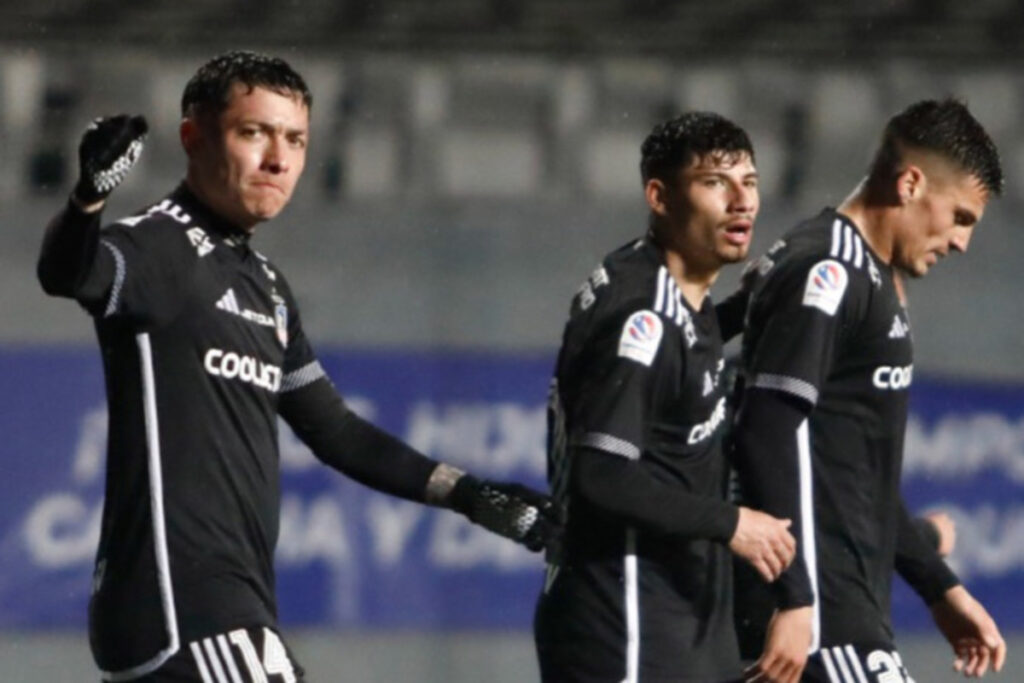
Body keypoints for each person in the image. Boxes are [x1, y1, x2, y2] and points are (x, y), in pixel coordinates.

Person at [36, 51, 562, 682]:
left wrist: (470, 494)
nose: (278, 160)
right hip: (184, 602)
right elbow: (68, 273)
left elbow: (334, 429)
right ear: (193, 138)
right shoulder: (163, 245)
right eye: (253, 133)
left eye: (295, 139)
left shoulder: (265, 285)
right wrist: (88, 200)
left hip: (216, 604)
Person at [732, 98, 1007, 682]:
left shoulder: (866, 275)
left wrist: (938, 587)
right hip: (821, 620)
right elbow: (765, 429)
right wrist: (794, 597)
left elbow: (856, 478)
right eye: (960, 217)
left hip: (843, 613)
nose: (961, 243)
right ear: (910, 184)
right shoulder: (827, 269)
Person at [533, 112, 797, 683]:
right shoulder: (643, 316)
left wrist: (748, 307)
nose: (741, 202)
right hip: (625, 624)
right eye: (714, 183)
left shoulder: (669, 282)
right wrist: (733, 524)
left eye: (748, 182)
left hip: (670, 621)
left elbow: (681, 356)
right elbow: (601, 475)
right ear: (659, 195)